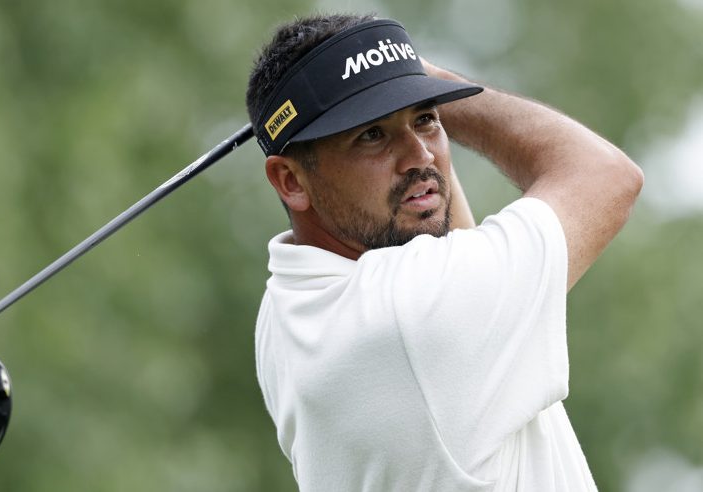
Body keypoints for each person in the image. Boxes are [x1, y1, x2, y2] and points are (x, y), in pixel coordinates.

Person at [246, 13, 643, 492]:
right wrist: (435, 82)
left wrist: (399, 81)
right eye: (372, 134)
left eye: (426, 119)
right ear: (291, 180)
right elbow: (606, 175)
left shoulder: (285, 308)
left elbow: (447, 238)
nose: (422, 156)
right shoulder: (412, 314)